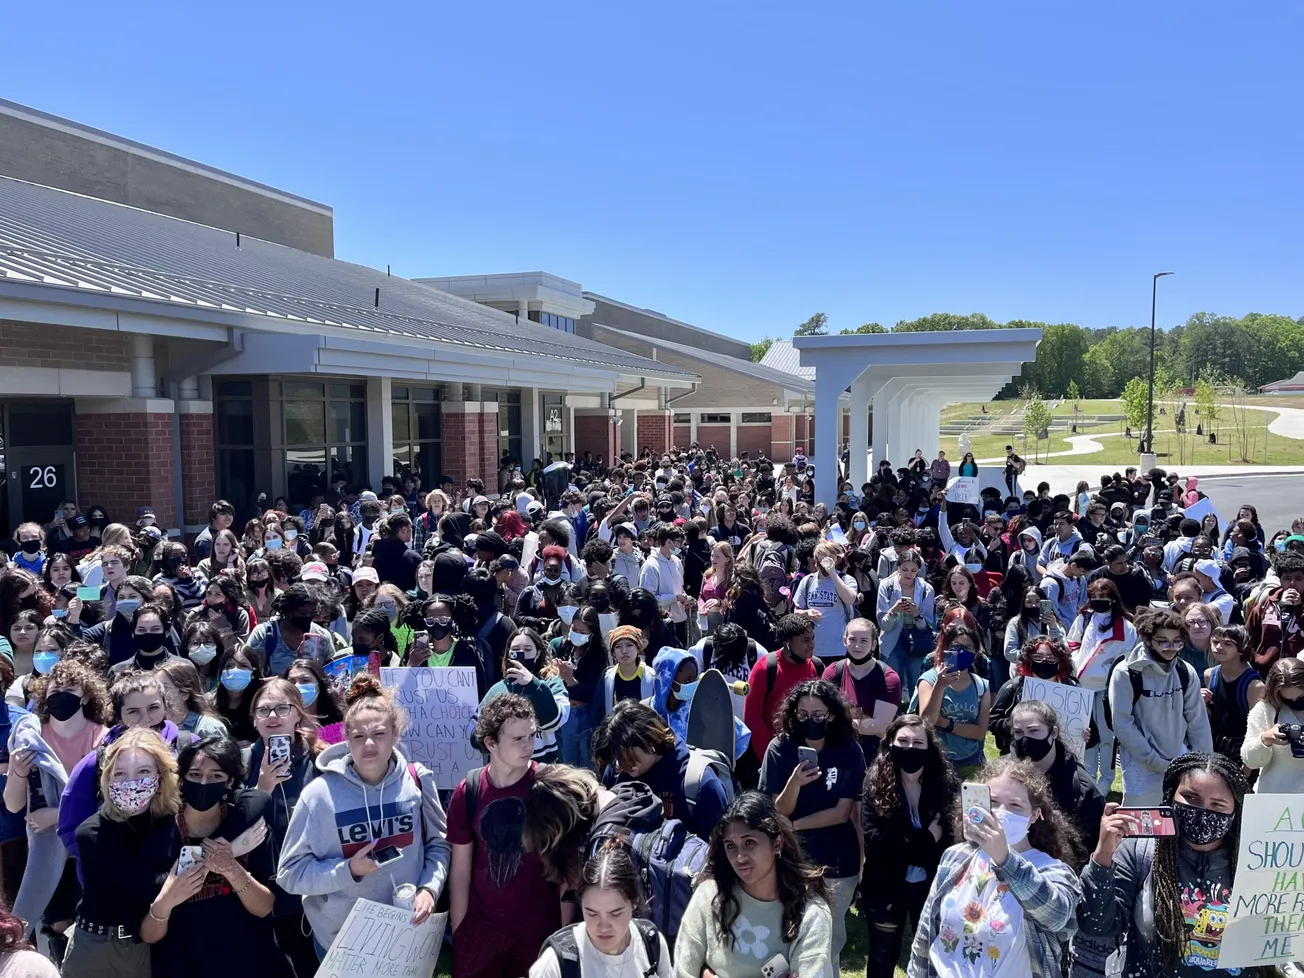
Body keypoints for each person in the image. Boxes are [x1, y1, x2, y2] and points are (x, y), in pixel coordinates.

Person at [277, 674, 450, 955]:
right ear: (346, 738)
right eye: (359, 736)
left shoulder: (417, 781)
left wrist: (429, 889)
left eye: (379, 734)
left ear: (396, 734)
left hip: (407, 933)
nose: (369, 744)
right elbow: (289, 874)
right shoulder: (318, 795)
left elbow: (439, 845)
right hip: (342, 943)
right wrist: (348, 870)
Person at [907, 758, 1083, 978]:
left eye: (1015, 805)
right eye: (993, 802)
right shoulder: (956, 856)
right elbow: (925, 935)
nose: (1000, 812)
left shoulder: (1051, 870)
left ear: (1034, 815)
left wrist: (1005, 859)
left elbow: (1057, 917)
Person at [1078, 752, 1249, 976]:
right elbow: (1096, 924)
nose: (1203, 810)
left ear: (1235, 811)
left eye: (1217, 804)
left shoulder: (1254, 862)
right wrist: (1103, 856)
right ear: (1171, 796)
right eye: (1191, 797)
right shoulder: (1140, 853)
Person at [143, 733, 281, 978]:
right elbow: (149, 934)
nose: (204, 783)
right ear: (181, 778)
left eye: (216, 776)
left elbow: (265, 908)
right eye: (195, 775)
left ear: (229, 782)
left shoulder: (251, 832)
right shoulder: (157, 834)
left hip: (249, 963)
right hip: (183, 966)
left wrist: (232, 868)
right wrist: (168, 899)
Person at [451, 694, 562, 978]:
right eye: (517, 739)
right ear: (491, 743)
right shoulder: (469, 790)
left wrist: (564, 935)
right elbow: (461, 869)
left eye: (532, 736)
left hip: (538, 935)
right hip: (482, 933)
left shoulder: (548, 788)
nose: (529, 746)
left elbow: (566, 871)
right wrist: (460, 931)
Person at [758, 678, 864, 962]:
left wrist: (794, 826)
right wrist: (794, 783)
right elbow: (778, 810)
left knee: (829, 941)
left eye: (818, 715)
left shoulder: (849, 750)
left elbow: (843, 812)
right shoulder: (779, 749)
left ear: (831, 714)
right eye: (803, 715)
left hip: (837, 861)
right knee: (787, 935)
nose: (810, 721)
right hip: (792, 860)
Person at [60, 727, 179, 978]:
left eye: (143, 772)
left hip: (155, 946)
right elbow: (142, 886)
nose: (130, 783)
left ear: (160, 777)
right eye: (120, 773)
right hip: (100, 947)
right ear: (108, 779)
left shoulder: (172, 822)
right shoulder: (92, 832)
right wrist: (179, 878)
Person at [674, 792, 833, 978]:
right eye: (731, 846)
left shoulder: (811, 915)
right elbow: (682, 972)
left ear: (777, 843)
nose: (740, 857)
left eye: (749, 842)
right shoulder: (709, 897)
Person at [859, 714, 958, 978]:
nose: (910, 748)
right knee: (883, 955)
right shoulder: (875, 780)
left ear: (929, 747)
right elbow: (877, 842)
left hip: (933, 886)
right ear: (890, 742)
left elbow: (951, 838)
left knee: (935, 958)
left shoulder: (945, 782)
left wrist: (907, 842)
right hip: (885, 884)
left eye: (918, 742)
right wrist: (926, 839)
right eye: (903, 741)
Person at [244, 679, 320, 977]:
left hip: (306, 896)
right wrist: (262, 787)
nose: (272, 717)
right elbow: (233, 824)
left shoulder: (319, 761)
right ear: (254, 720)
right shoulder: (240, 763)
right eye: (264, 711)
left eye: (281, 708)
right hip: (254, 889)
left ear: (298, 713)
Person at [1111, 608, 1213, 805]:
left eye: (1177, 642)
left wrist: (1203, 763)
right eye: (1163, 641)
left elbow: (1197, 721)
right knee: (1141, 826)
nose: (1171, 647)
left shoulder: (1185, 671)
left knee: (1179, 822)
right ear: (1148, 640)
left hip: (1180, 759)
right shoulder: (1126, 672)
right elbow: (1123, 724)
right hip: (1140, 763)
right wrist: (1154, 762)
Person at [591, 700, 728, 842]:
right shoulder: (616, 774)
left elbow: (716, 854)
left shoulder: (700, 783)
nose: (619, 766)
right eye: (615, 760)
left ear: (650, 739)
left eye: (625, 757)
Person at [528, 846, 671, 978]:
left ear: (634, 903)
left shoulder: (652, 945)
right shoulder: (555, 965)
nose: (603, 927)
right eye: (592, 913)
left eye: (615, 913)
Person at [1068, 579, 1137, 795]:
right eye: (1094, 597)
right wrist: (1077, 660)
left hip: (1107, 688)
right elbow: (1071, 642)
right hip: (1082, 685)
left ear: (1113, 598)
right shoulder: (1084, 617)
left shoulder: (1127, 626)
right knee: (1085, 734)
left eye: (1103, 598)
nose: (1098, 602)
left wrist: (1109, 669)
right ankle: (1087, 773)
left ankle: (1107, 777)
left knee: (1108, 735)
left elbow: (1128, 657)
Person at [1008, 699, 1103, 852]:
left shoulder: (1082, 789)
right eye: (1019, 732)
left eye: (1034, 731)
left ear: (1053, 733)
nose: (1025, 739)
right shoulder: (1000, 775)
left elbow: (1092, 848)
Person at [476, 628, 570, 763]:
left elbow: (553, 721)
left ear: (537, 653)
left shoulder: (550, 683)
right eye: (515, 649)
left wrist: (532, 684)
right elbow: (476, 733)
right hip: (506, 770)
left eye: (527, 649)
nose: (521, 654)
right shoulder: (498, 688)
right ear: (508, 654)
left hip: (543, 768)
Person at [743, 614, 820, 773]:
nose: (812, 645)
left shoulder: (817, 666)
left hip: (807, 754)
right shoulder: (766, 668)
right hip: (774, 753)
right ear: (787, 643)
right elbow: (752, 716)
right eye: (805, 640)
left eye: (812, 638)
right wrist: (769, 757)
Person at [910, 622, 990, 774]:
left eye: (968, 648)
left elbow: (980, 732)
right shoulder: (929, 680)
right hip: (936, 759)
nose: (961, 651)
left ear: (975, 653)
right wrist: (940, 686)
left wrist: (946, 723)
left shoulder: (981, 686)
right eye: (955, 646)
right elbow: (927, 722)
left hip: (970, 760)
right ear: (945, 649)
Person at [821, 617, 901, 763]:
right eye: (852, 639)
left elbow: (880, 726)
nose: (857, 645)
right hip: (836, 749)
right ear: (845, 641)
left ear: (874, 645)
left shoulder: (888, 678)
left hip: (874, 755)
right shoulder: (832, 672)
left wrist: (838, 722)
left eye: (864, 640)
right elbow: (821, 714)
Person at [989, 636, 1078, 754]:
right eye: (1038, 657)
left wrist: (1087, 735)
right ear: (1028, 660)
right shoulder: (1013, 687)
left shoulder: (1071, 688)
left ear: (1059, 662)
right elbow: (993, 721)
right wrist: (1015, 725)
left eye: (1051, 658)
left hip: (1060, 758)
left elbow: (1091, 734)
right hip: (1018, 756)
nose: (1044, 662)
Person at [876, 549, 937, 696]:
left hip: (917, 640)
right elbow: (883, 624)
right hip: (892, 639)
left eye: (913, 570)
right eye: (904, 569)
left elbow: (927, 626)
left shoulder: (926, 589)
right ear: (898, 567)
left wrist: (916, 614)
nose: (908, 574)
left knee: (917, 684)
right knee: (891, 685)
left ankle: (917, 716)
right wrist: (894, 611)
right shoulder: (886, 586)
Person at [1202, 624, 1264, 769]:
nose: (1218, 647)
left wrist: (1248, 764)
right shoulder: (1210, 675)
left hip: (1242, 751)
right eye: (1215, 642)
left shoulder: (1254, 686)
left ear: (1242, 649)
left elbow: (1258, 728)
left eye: (1227, 644)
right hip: (1215, 747)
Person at [1241, 656, 1304, 792]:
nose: (1295, 701)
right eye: (1288, 699)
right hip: (1276, 798)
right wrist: (1265, 739)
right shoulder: (1265, 709)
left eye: (1301, 697)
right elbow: (1249, 761)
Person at [792, 542, 857, 665]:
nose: (827, 561)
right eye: (823, 556)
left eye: (831, 557)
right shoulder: (807, 581)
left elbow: (850, 599)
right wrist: (806, 613)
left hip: (839, 649)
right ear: (815, 561)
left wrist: (833, 574)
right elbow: (796, 611)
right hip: (813, 650)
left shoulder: (846, 579)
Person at [593, 624, 656, 727]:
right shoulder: (607, 677)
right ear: (613, 653)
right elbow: (597, 710)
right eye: (618, 647)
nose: (624, 651)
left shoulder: (652, 677)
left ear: (638, 648)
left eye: (629, 645)